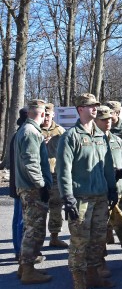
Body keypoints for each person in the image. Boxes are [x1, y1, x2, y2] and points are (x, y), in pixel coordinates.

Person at [57, 93, 118, 289]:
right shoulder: (70, 136)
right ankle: (79, 282)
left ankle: (94, 276)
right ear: (80, 109)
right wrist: (68, 197)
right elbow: (63, 170)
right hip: (80, 197)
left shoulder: (101, 135)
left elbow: (108, 165)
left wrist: (112, 189)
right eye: (90, 106)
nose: (95, 108)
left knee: (98, 239)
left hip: (101, 196)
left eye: (96, 105)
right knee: (80, 241)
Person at [14, 99, 53, 284]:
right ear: (42, 114)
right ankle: (28, 270)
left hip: (28, 187)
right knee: (34, 230)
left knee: (31, 228)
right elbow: (30, 162)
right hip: (32, 189)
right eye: (44, 113)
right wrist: (41, 185)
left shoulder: (27, 130)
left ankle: (24, 267)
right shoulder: (30, 132)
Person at [94, 106, 122, 274]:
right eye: (103, 119)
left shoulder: (117, 141)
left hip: (120, 190)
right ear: (96, 121)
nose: (107, 122)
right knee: (100, 229)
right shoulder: (93, 140)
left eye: (109, 119)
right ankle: (100, 262)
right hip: (101, 191)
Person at [40, 103, 68, 248]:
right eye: (43, 115)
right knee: (39, 208)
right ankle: (36, 241)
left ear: (53, 115)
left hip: (55, 174)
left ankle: (54, 236)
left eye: (48, 115)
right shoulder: (35, 130)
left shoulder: (60, 131)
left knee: (56, 207)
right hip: (40, 175)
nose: (45, 118)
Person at [9, 107, 28, 260]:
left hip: (17, 182)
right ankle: (20, 250)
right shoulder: (22, 135)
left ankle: (19, 249)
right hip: (20, 183)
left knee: (19, 218)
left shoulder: (18, 134)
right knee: (20, 218)